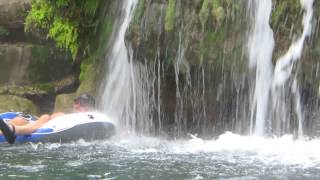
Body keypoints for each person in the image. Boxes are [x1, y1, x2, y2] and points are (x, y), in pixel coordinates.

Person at [0, 93, 96, 144]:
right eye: (76, 102)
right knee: (20, 120)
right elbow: (48, 119)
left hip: (39, 123)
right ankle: (11, 130)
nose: (77, 105)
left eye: (83, 103)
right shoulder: (64, 116)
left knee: (21, 120)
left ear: (91, 107)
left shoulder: (94, 119)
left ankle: (11, 130)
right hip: (38, 123)